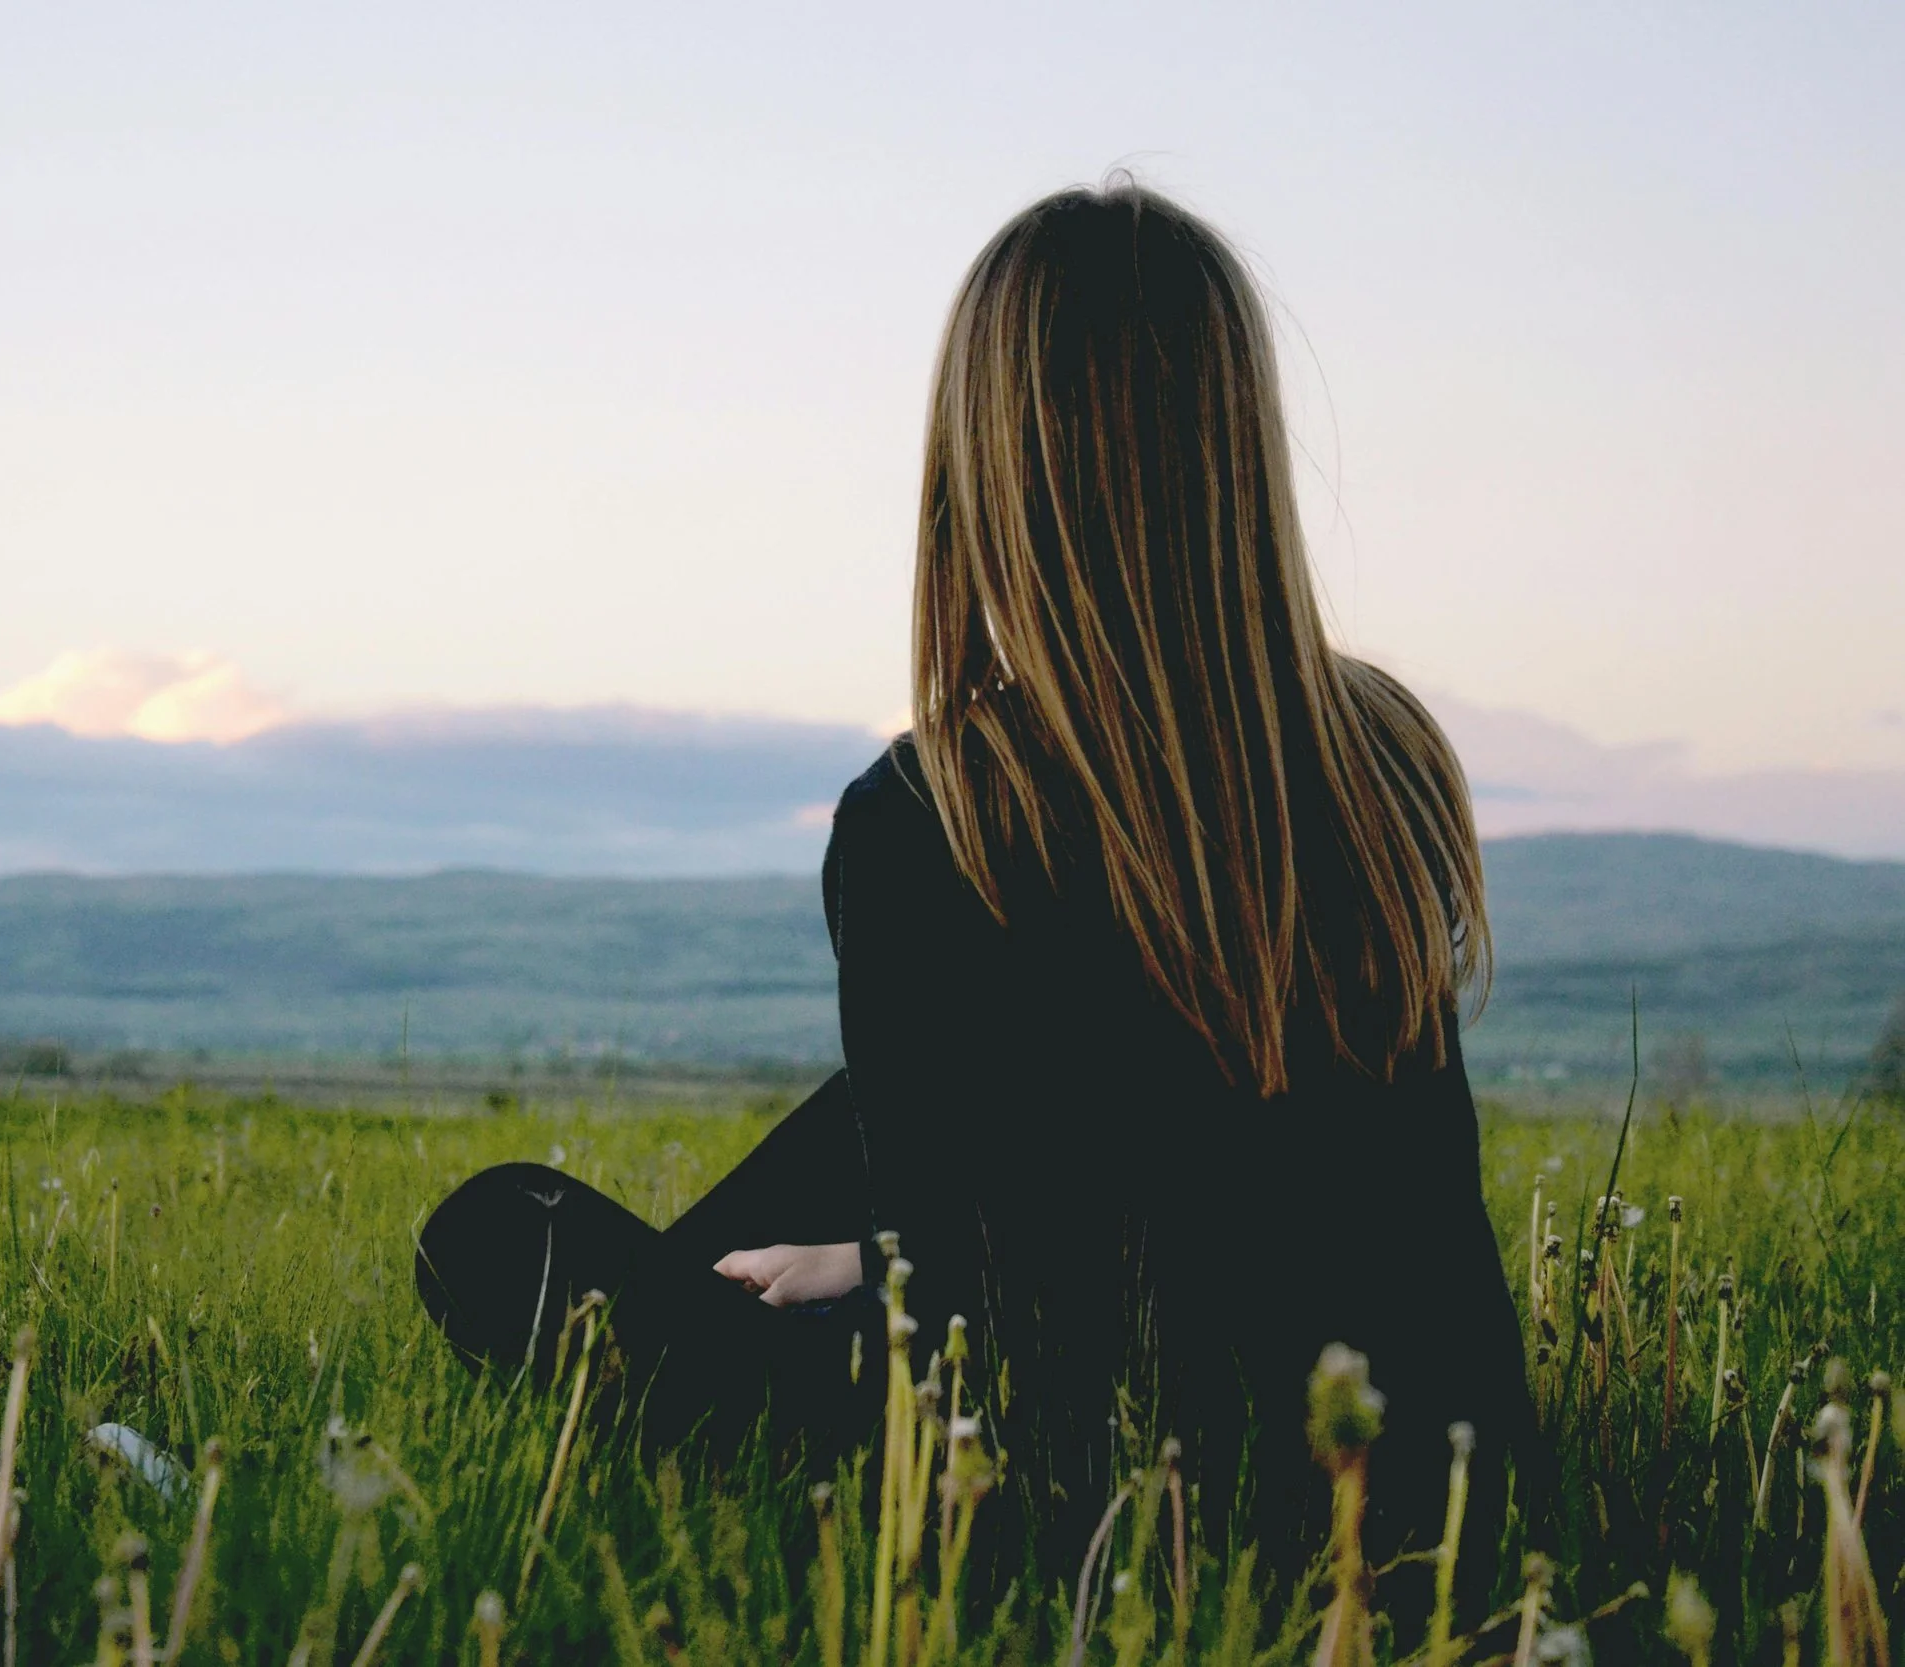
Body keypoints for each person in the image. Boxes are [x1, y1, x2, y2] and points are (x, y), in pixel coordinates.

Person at [414, 178, 1531, 1594]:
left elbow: (997, 1334)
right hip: (1428, 1478)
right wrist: (872, 1250)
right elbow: (1262, 1177)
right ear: (1235, 444)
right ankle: (780, 1273)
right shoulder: (1385, 753)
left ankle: (666, 1357)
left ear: (993, 462)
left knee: (493, 1235)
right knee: (859, 1130)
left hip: (1081, 1503)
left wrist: (887, 1271)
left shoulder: (939, 814)